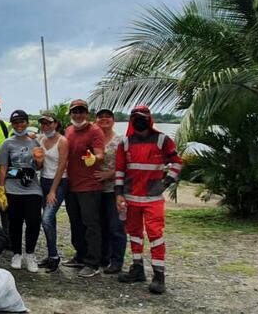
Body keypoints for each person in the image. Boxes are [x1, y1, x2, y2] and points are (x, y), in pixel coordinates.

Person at [115, 105, 183, 295]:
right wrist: (118, 194)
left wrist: (167, 181)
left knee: (155, 235)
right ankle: (137, 268)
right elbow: (120, 170)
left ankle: (159, 275)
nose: (139, 120)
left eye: (142, 117)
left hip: (152, 198)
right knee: (134, 233)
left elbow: (177, 162)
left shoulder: (162, 139)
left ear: (149, 119)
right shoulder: (125, 143)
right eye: (135, 117)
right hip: (131, 197)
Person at [62, 99, 106, 277]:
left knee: (91, 225)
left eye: (81, 112)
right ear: (71, 114)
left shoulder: (95, 130)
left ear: (87, 114)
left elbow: (100, 153)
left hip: (89, 186)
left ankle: (93, 262)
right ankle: (80, 255)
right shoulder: (69, 130)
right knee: (76, 224)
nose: (78, 115)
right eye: (75, 112)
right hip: (71, 185)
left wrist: (95, 159)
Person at [0, 110, 44, 272]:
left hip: (32, 188)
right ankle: (17, 253)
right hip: (12, 187)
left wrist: (38, 161)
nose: (19, 125)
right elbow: (3, 168)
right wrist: (1, 188)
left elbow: (39, 166)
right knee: (14, 222)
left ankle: (30, 254)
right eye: (15, 123)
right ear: (12, 125)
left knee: (33, 220)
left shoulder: (34, 142)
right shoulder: (7, 143)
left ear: (27, 122)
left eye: (22, 122)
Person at [94, 108, 127, 274]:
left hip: (115, 189)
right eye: (100, 117)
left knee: (116, 226)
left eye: (108, 117)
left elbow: (128, 165)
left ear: (113, 120)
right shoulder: (93, 139)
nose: (104, 119)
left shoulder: (121, 140)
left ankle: (117, 261)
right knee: (100, 226)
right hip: (95, 190)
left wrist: (109, 174)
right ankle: (102, 257)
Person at [37, 113, 69, 271]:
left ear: (56, 124)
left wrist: (53, 191)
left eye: (49, 123)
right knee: (50, 221)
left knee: (47, 218)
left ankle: (55, 257)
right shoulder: (41, 140)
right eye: (43, 124)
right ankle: (51, 254)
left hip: (59, 182)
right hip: (43, 180)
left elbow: (62, 166)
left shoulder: (62, 141)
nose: (46, 126)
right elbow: (39, 165)